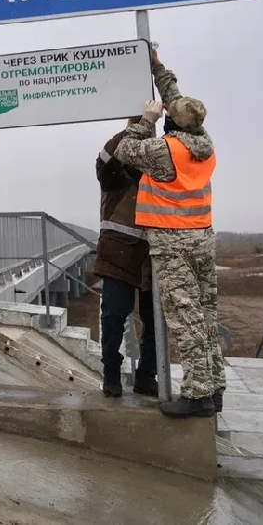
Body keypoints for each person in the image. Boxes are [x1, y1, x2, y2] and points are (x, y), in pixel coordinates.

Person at [114, 50, 224, 418]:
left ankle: (197, 396)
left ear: (170, 124)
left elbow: (126, 151)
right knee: (205, 313)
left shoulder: (166, 151)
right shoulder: (202, 142)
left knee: (184, 316)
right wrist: (158, 67)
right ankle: (215, 385)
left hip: (173, 241)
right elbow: (177, 98)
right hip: (202, 237)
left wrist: (144, 119)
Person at [93, 120, 158, 399]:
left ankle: (146, 376)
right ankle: (111, 376)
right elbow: (104, 158)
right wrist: (139, 125)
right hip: (119, 254)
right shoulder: (116, 175)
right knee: (114, 317)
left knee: (154, 321)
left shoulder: (156, 169)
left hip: (152, 257)